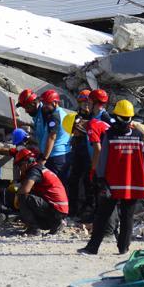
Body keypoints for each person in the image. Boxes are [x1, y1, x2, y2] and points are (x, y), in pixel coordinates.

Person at [78, 100, 144, 255]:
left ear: (116, 116)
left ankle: (92, 248)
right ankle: (123, 248)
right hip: (132, 184)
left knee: (102, 215)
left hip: (112, 185)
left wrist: (99, 177)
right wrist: (135, 170)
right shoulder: (138, 136)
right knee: (127, 217)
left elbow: (103, 159)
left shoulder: (110, 135)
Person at [14, 149, 69, 235]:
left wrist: (17, 197)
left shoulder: (34, 170)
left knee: (23, 196)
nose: (20, 168)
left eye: (20, 165)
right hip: (59, 211)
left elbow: (25, 190)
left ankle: (33, 229)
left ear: (26, 162)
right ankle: (57, 223)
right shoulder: (39, 168)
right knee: (26, 195)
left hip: (55, 210)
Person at [66, 90, 93, 218]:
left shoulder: (95, 117)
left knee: (89, 181)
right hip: (77, 151)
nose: (85, 105)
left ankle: (88, 208)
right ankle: (73, 208)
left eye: (87, 102)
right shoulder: (76, 117)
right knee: (73, 180)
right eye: (83, 103)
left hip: (90, 153)